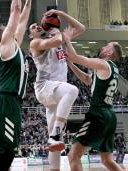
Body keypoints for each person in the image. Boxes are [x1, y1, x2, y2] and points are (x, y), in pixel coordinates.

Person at [28, 9, 85, 171]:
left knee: (56, 143)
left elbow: (81, 28)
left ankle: (54, 145)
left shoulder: (57, 38)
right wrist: (59, 33)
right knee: (72, 91)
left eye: (38, 24)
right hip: (45, 87)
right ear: (30, 35)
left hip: (56, 92)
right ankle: (55, 134)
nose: (37, 26)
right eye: (33, 27)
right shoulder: (35, 43)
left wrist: (61, 14)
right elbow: (55, 42)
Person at [0, 0, 31, 170]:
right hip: (5, 101)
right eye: (5, 27)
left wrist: (29, 3)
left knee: (2, 153)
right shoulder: (5, 45)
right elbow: (15, 11)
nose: (9, 27)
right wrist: (17, 6)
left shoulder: (13, 44)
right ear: (1, 35)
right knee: (7, 152)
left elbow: (22, 20)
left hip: (8, 101)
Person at [63, 28, 123, 171]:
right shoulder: (112, 69)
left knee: (73, 155)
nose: (103, 47)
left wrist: (67, 39)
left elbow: (75, 56)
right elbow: (87, 79)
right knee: (107, 161)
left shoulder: (103, 64)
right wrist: (70, 64)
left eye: (106, 46)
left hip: (98, 114)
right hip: (110, 116)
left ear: (109, 53)